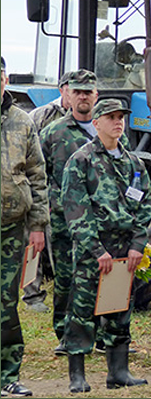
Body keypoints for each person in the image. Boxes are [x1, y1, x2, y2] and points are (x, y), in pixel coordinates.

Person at [60, 99, 151, 393]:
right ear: (97, 123)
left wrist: (138, 244)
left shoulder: (133, 162)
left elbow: (146, 204)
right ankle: (77, 375)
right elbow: (75, 210)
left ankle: (119, 372)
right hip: (93, 252)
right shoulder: (81, 160)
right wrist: (97, 250)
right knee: (82, 312)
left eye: (121, 118)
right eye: (111, 117)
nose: (118, 122)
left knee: (119, 309)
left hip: (125, 251)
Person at [39, 70, 111, 356]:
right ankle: (67, 336)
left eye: (88, 92)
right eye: (77, 91)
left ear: (96, 95)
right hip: (65, 222)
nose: (83, 96)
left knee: (104, 276)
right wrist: (55, 204)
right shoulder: (53, 132)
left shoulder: (109, 130)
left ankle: (105, 335)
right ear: (67, 95)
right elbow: (39, 173)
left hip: (103, 221)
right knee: (68, 279)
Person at [1, 56, 48, 398]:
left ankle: (7, 375)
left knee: (6, 303)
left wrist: (38, 225)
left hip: (10, 228)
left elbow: (37, 176)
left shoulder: (22, 122)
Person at [19, 71, 75, 315]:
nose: (80, 96)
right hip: (44, 188)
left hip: (73, 193)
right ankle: (32, 293)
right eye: (75, 90)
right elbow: (31, 157)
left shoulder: (92, 118)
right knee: (34, 238)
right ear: (63, 90)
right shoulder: (41, 115)